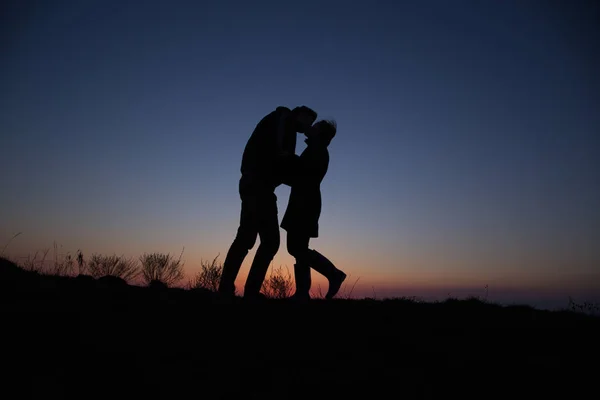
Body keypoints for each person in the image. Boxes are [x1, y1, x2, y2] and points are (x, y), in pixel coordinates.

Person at [218, 105, 318, 299]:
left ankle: (229, 289)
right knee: (267, 241)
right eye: (309, 121)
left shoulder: (284, 126)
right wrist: (295, 162)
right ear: (300, 114)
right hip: (258, 186)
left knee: (248, 238)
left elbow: (282, 166)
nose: (308, 127)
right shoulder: (284, 118)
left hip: (256, 185)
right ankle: (246, 291)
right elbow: (282, 158)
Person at [281, 119, 346, 300]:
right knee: (299, 247)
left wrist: (287, 158)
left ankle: (333, 274)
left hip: (305, 203)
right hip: (303, 202)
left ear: (320, 134)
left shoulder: (318, 150)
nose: (310, 128)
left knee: (295, 247)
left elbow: (302, 175)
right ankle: (302, 293)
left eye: (315, 127)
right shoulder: (315, 149)